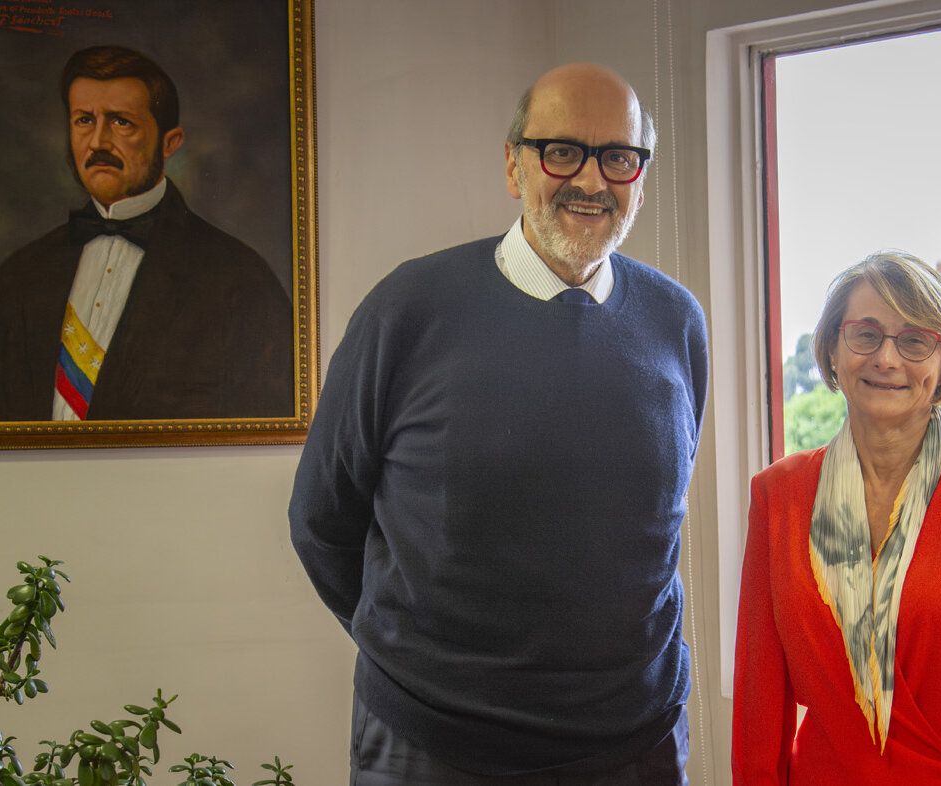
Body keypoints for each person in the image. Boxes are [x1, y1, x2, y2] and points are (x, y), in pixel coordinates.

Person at [289, 63, 708, 784]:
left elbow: (646, 528)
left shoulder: (676, 321)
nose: (592, 180)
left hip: (636, 741)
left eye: (618, 157)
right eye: (561, 151)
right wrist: (423, 659)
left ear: (639, 174)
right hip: (432, 744)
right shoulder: (408, 311)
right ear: (513, 166)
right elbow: (322, 520)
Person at [732, 251, 941, 784]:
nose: (887, 359)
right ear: (832, 351)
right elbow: (760, 702)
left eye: (914, 341)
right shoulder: (779, 495)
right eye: (865, 334)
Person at [0, 44, 292, 422]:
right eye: (84, 120)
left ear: (170, 142)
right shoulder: (18, 277)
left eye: (121, 122)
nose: (98, 142)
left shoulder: (240, 282)